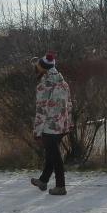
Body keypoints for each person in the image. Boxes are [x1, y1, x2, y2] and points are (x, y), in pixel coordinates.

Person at [29, 51, 73, 195]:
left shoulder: (44, 85)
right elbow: (69, 104)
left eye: (37, 67)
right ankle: (43, 180)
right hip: (62, 125)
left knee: (55, 156)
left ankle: (61, 186)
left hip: (49, 127)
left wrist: (37, 131)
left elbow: (41, 110)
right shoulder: (63, 82)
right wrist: (68, 123)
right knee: (51, 154)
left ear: (42, 69)